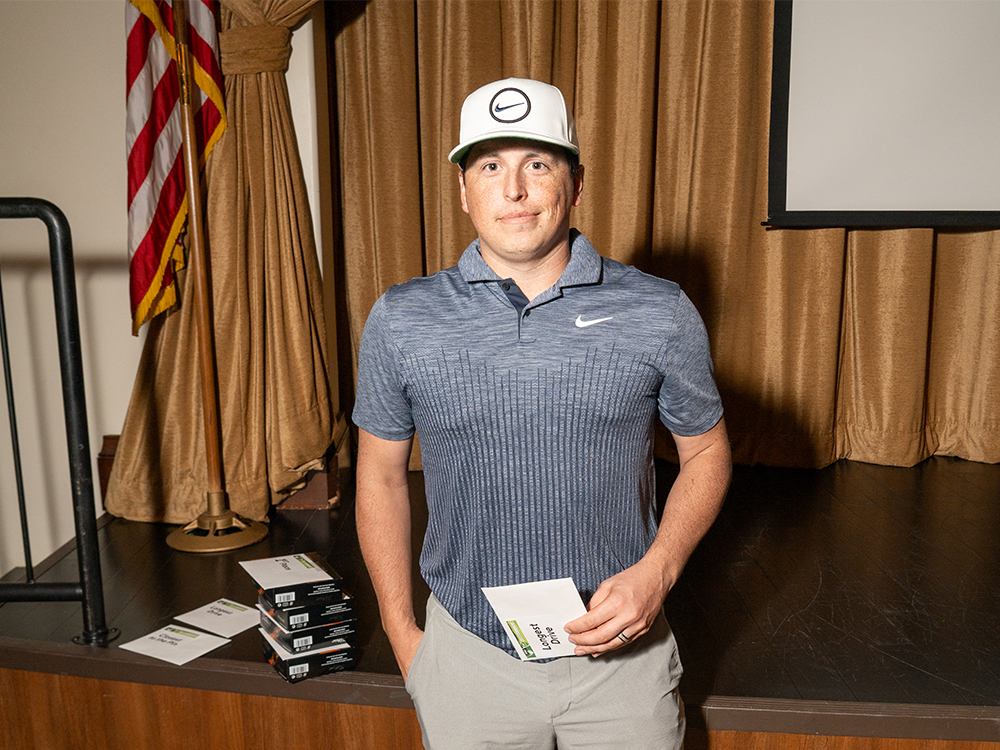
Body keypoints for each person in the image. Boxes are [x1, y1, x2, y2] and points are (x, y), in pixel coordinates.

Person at [353, 77, 731, 750]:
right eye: (491, 165)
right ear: (464, 190)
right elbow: (379, 476)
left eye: (538, 163)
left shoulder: (660, 310)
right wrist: (404, 634)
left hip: (622, 662)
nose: (515, 189)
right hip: (467, 661)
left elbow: (705, 453)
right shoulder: (402, 318)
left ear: (576, 183)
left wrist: (660, 570)